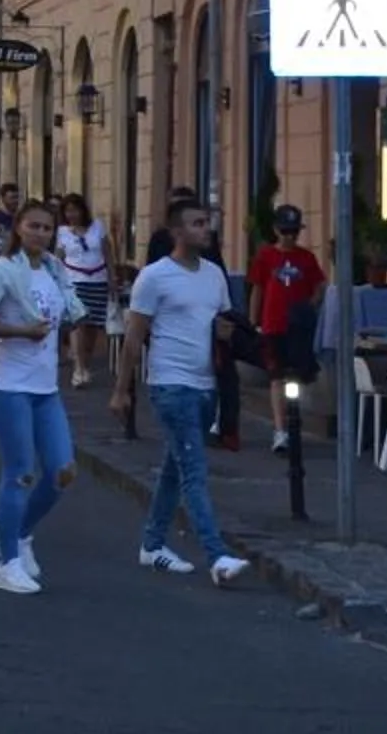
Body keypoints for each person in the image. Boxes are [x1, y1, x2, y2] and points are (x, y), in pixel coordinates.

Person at [110, 196, 249, 587]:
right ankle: (217, 555)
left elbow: (218, 321)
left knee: (175, 467)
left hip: (206, 383)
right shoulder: (154, 277)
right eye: (196, 223)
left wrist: (223, 332)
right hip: (171, 384)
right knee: (194, 471)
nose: (206, 229)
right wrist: (122, 390)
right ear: (176, 232)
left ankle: (152, 543)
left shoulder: (214, 276)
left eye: (207, 222)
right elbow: (134, 336)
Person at [0, 200, 84, 595]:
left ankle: (21, 533)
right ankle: (7, 564)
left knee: (63, 471)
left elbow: (68, 312)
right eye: (33, 226)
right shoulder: (3, 270)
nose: (40, 234)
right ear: (18, 228)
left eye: (47, 228)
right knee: (19, 473)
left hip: (46, 388)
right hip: (9, 386)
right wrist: (21, 332)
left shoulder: (53, 269)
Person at [247, 205, 328, 448]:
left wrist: (310, 306)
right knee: (276, 376)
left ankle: (293, 420)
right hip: (273, 325)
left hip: (299, 328)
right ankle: (281, 429)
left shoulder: (306, 258)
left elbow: (320, 284)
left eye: (294, 232)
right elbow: (257, 289)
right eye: (285, 232)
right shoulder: (266, 256)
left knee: (298, 376)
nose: (290, 237)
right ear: (276, 230)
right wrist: (253, 322)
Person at [56, 193, 111, 390]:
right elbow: (59, 259)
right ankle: (78, 368)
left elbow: (107, 253)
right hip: (74, 281)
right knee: (77, 324)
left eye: (75, 209)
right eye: (68, 210)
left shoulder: (97, 227)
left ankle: (86, 364)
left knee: (93, 327)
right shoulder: (62, 232)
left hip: (97, 280)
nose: (72, 214)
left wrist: (112, 279)